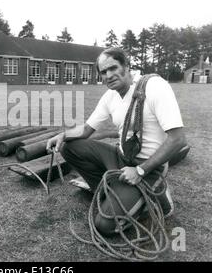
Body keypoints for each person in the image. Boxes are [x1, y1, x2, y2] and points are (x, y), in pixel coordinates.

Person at [46, 47, 187, 236]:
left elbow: (177, 139)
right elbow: (87, 129)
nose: (109, 75)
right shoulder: (110, 96)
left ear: (126, 66)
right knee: (70, 147)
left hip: (148, 169)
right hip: (120, 158)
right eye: (103, 72)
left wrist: (140, 171)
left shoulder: (154, 86)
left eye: (113, 68)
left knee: (105, 225)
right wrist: (63, 135)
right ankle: (108, 192)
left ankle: (156, 197)